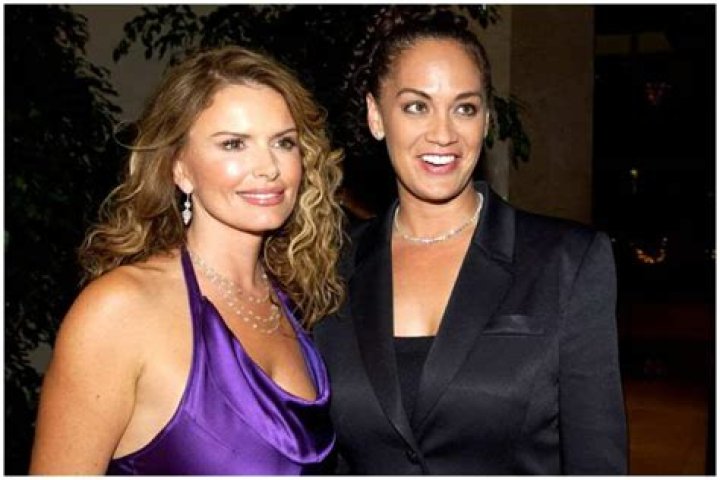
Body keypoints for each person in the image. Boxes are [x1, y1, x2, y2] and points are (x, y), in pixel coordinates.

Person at [313, 17, 627, 474]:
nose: (443, 134)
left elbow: (596, 461)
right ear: (376, 116)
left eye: (464, 108)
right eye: (416, 107)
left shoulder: (567, 260)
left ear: (486, 119)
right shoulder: (331, 263)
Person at [30, 46, 344, 475]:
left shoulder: (298, 301)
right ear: (180, 168)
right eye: (234, 144)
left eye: (283, 142)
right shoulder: (120, 309)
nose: (268, 168)